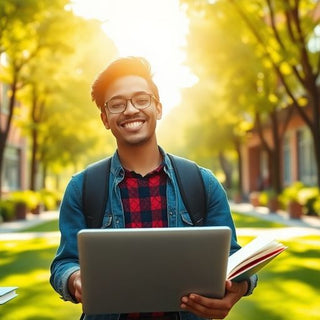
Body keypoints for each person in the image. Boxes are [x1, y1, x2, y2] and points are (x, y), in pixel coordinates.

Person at [50, 56, 258, 320]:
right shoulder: (82, 188)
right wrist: (75, 279)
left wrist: (238, 288)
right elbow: (63, 263)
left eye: (141, 99)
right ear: (104, 118)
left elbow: (235, 261)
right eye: (117, 104)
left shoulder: (202, 183)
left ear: (158, 108)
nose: (130, 110)